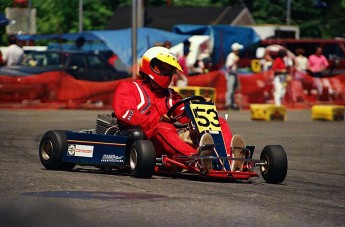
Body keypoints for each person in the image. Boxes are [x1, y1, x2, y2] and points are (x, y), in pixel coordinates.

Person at [112, 46, 246, 172]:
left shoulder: (171, 94)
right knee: (164, 127)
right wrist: (157, 120)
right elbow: (124, 113)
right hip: (147, 139)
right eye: (162, 69)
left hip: (173, 138)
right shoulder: (129, 87)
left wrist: (198, 112)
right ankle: (197, 160)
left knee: (218, 121)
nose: (166, 74)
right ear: (149, 66)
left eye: (169, 70)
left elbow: (183, 115)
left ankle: (230, 160)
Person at [224, 42, 243, 110]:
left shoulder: (235, 56)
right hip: (230, 74)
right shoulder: (231, 56)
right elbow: (228, 66)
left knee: (234, 89)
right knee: (230, 89)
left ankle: (232, 103)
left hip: (234, 74)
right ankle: (228, 103)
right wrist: (235, 61)